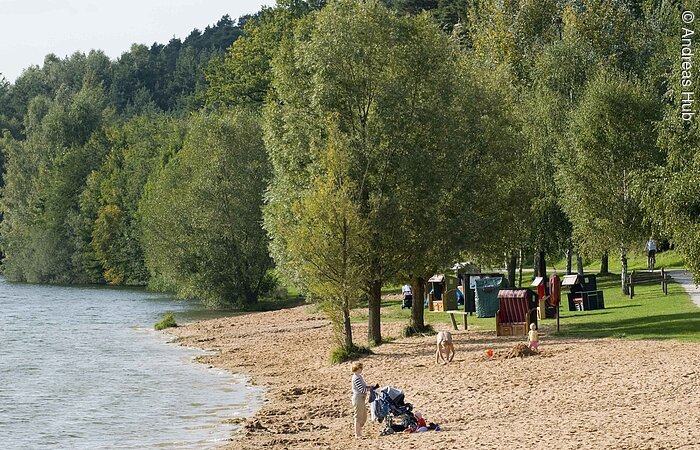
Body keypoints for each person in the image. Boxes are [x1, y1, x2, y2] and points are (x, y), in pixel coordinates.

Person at [351, 362, 376, 438]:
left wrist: (370, 387)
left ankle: (358, 431)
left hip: (361, 398)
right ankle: (357, 434)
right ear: (358, 368)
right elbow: (362, 390)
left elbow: (364, 387)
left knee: (364, 416)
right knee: (358, 416)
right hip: (358, 398)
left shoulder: (359, 376)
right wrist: (369, 389)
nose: (362, 369)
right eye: (361, 368)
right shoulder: (356, 378)